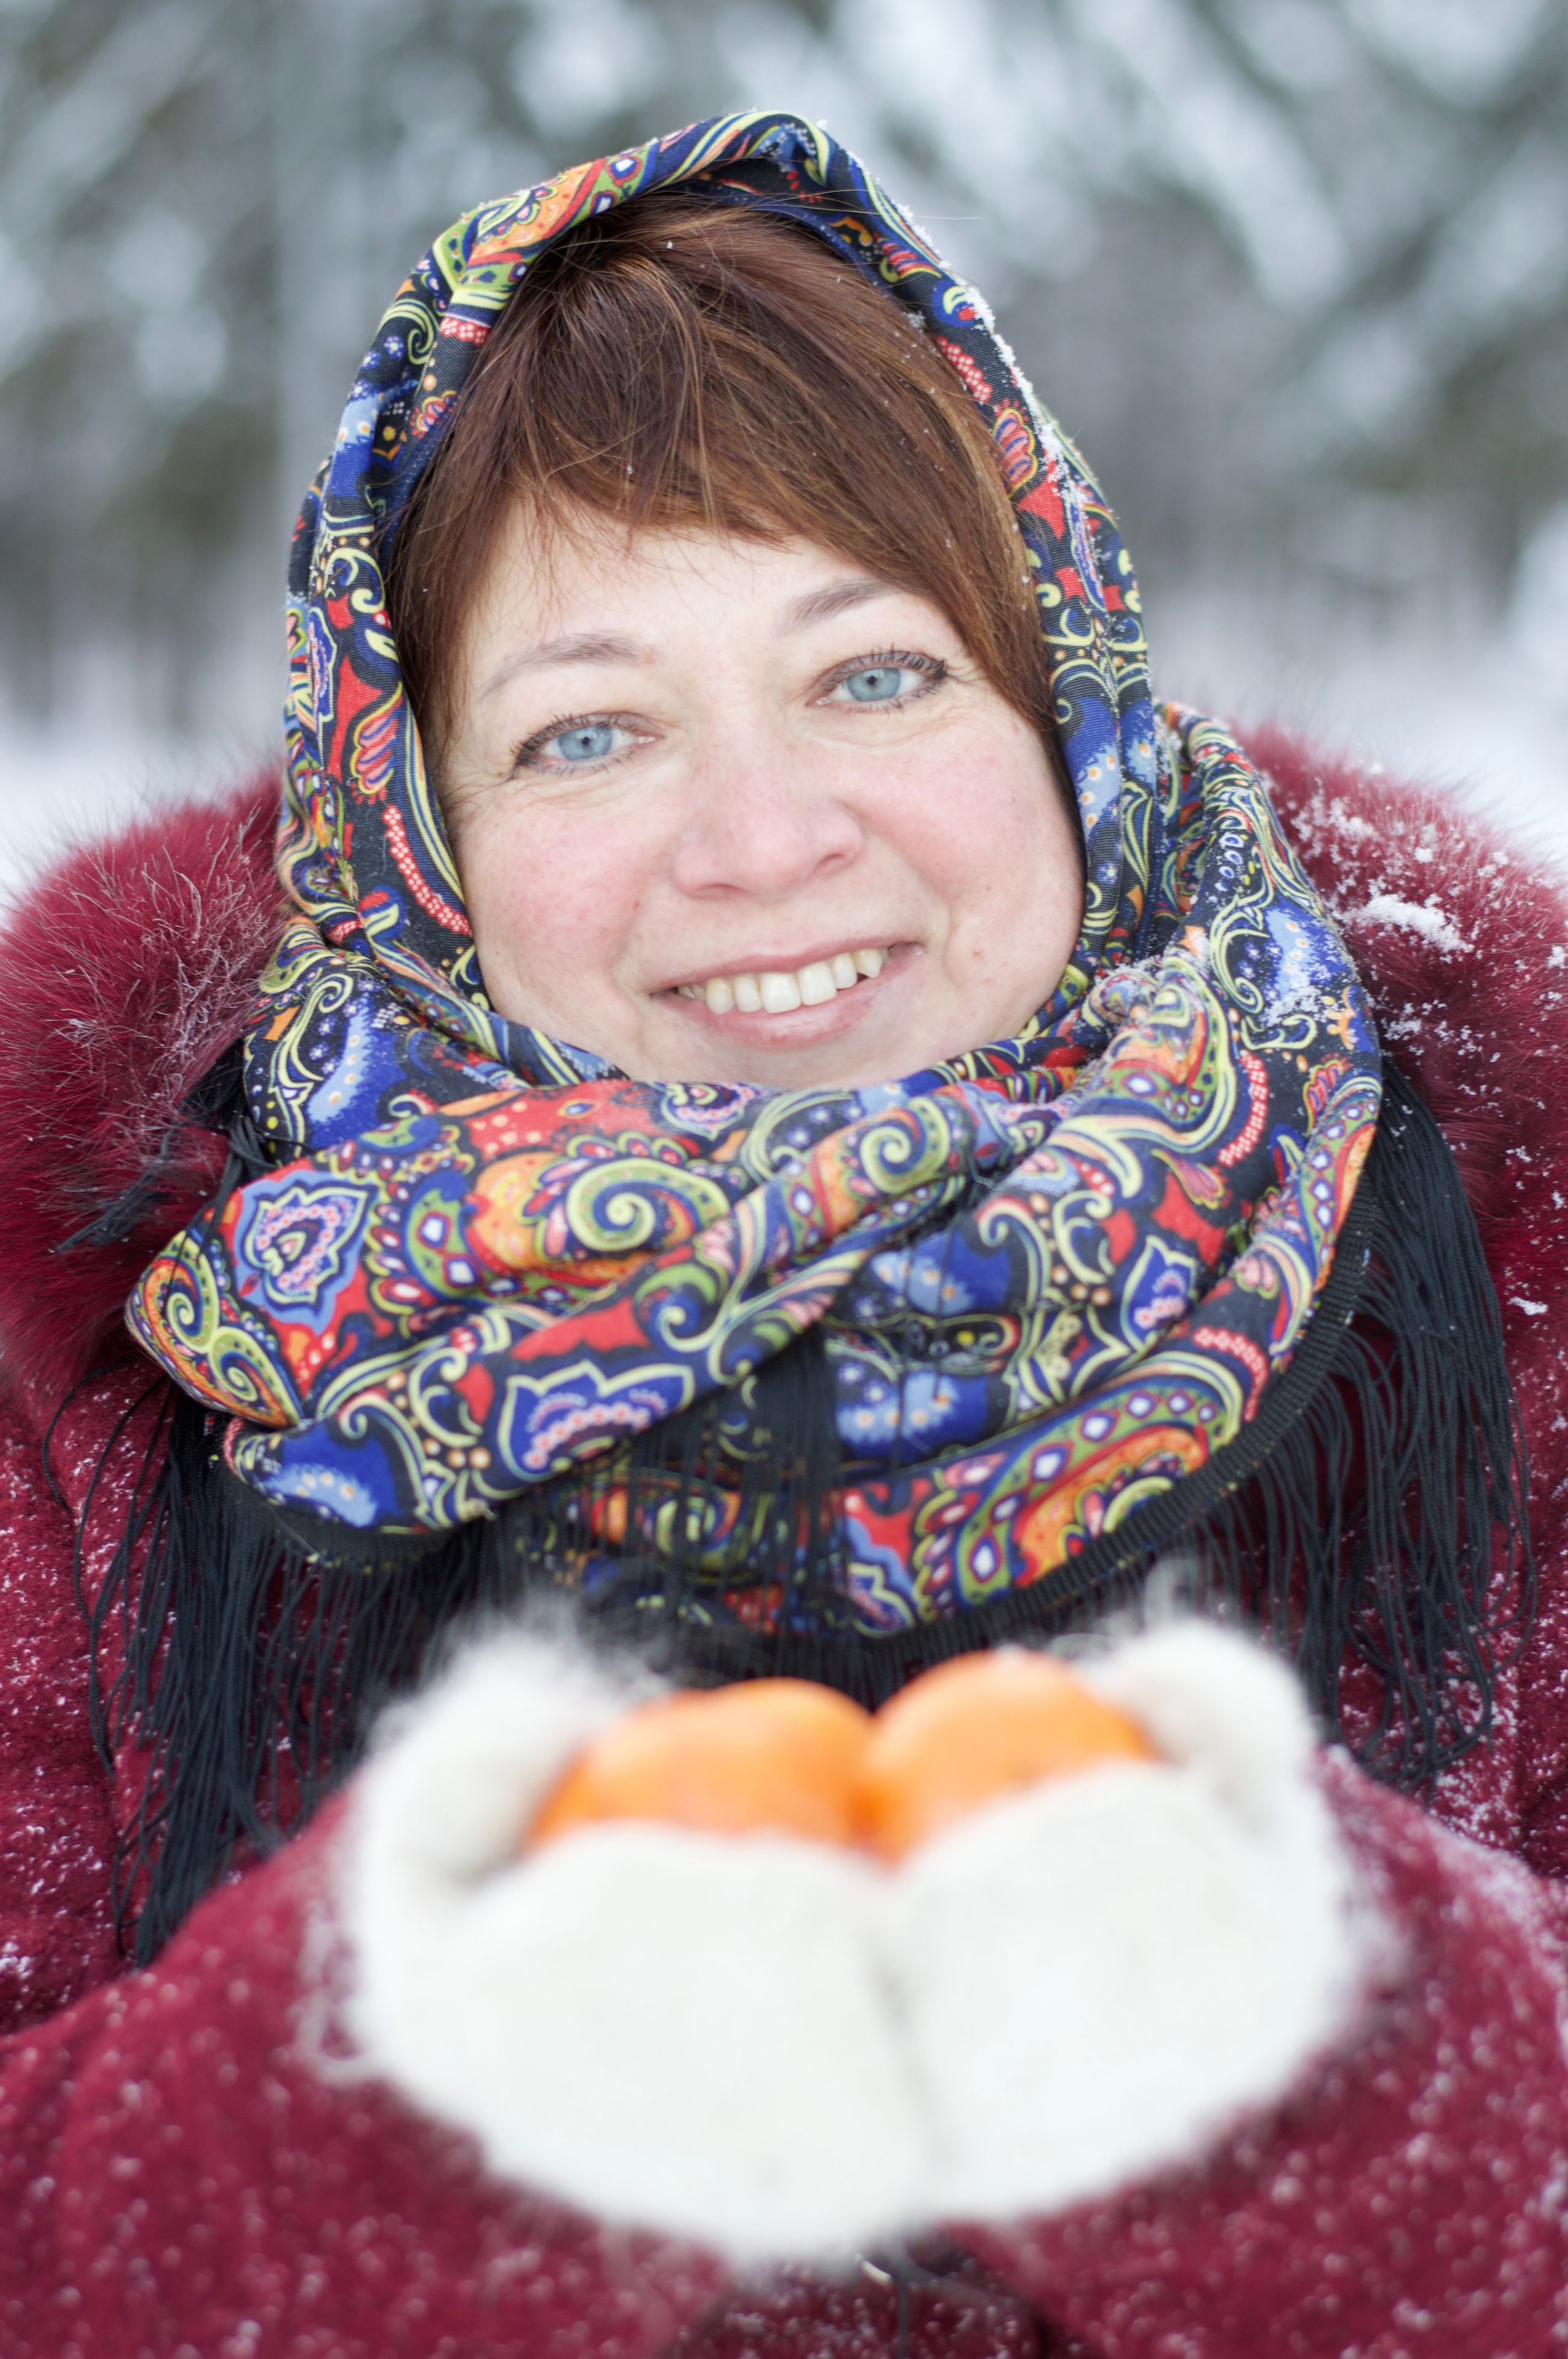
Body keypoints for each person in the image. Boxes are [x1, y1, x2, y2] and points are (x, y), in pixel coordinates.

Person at [2, 107, 1567, 2357]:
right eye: (588, 732)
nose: (758, 839)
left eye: (872, 675)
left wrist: (1321, 2051)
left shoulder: (1492, 1211)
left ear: (1064, 697)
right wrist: (385, 2091)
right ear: (413, 823)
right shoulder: (114, 1331)